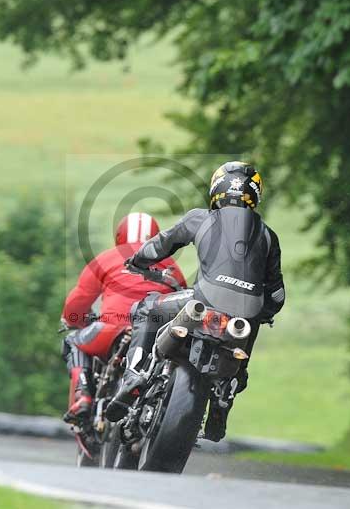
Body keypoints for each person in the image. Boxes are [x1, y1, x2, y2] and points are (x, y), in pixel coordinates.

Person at [106, 161, 285, 441]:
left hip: (201, 302)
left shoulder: (198, 218)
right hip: (243, 319)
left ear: (216, 189)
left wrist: (138, 260)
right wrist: (265, 312)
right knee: (251, 323)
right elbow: (276, 295)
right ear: (255, 194)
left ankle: (134, 374)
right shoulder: (268, 236)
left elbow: (160, 245)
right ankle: (223, 400)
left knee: (146, 308)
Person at [61, 212, 187, 426]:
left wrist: (75, 320)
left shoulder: (106, 258)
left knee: (73, 341)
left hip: (111, 329)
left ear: (119, 236)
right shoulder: (171, 265)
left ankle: (83, 396)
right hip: (153, 335)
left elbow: (78, 302)